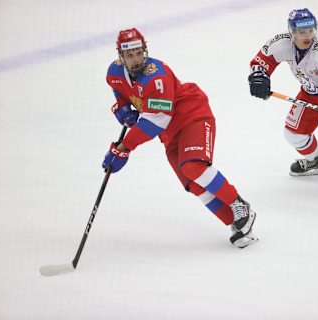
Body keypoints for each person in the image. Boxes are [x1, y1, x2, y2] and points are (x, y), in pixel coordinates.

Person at [102, 28, 257, 248]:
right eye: (130, 55)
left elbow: (155, 121)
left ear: (144, 50)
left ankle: (239, 204)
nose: (136, 59)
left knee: (193, 166)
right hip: (169, 133)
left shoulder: (157, 76)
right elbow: (119, 89)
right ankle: (237, 224)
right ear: (121, 55)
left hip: (191, 116)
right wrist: (124, 107)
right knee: (191, 183)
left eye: (138, 52)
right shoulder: (114, 72)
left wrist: (124, 147)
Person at [248, 8, 318, 191]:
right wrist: (259, 76)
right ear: (292, 32)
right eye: (302, 32)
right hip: (312, 91)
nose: (307, 36)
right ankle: (315, 160)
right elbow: (262, 60)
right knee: (293, 135)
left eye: (311, 31)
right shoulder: (282, 43)